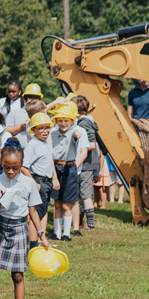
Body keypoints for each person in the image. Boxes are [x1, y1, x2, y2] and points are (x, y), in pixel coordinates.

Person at [0, 138, 51, 299]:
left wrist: (41, 234)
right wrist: (1, 201)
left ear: (22, 164)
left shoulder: (28, 183)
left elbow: (33, 210)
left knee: (18, 274)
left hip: (19, 228)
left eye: (15, 168)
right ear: (2, 163)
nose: (10, 172)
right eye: (6, 167)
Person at [49, 101, 88, 241]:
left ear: (72, 121)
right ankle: (57, 233)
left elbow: (78, 141)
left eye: (66, 120)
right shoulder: (53, 133)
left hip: (69, 167)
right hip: (56, 167)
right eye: (60, 120)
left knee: (67, 204)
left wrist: (76, 135)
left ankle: (67, 233)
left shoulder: (76, 132)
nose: (63, 123)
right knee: (57, 203)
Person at [21, 111, 57, 247]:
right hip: (38, 181)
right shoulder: (33, 145)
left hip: (46, 181)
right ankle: (32, 244)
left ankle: (42, 240)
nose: (45, 131)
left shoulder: (47, 142)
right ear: (34, 130)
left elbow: (49, 161)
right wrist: (34, 183)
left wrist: (54, 178)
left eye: (47, 127)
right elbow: (24, 167)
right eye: (40, 128)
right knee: (35, 214)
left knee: (42, 212)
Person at [73, 95, 98, 230]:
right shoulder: (83, 121)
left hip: (87, 163)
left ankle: (90, 225)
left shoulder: (85, 123)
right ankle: (80, 221)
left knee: (86, 194)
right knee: (80, 194)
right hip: (83, 163)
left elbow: (92, 144)